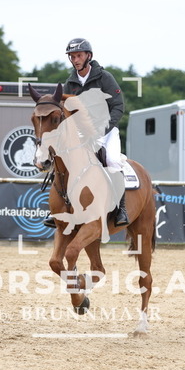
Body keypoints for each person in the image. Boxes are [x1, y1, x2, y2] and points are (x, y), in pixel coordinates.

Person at [43, 37, 129, 228]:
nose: (75, 60)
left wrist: (101, 129)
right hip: (81, 134)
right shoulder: (70, 83)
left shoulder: (104, 77)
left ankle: (121, 209)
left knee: (113, 161)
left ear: (88, 56)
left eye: (79, 56)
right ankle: (56, 209)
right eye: (72, 57)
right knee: (62, 161)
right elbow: (64, 111)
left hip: (105, 132)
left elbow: (118, 106)